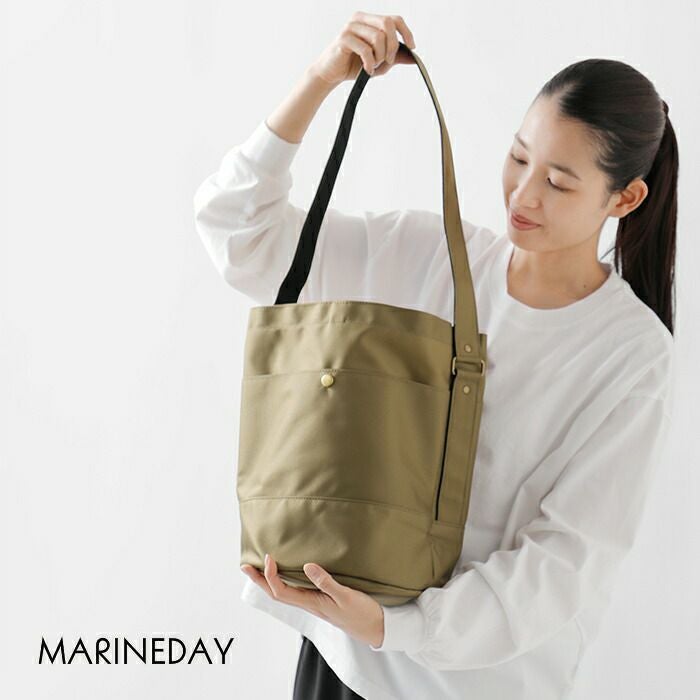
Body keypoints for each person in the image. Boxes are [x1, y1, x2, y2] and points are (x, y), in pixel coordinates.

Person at [193, 10, 679, 700]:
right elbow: (236, 231)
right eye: (519, 158)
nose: (523, 194)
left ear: (625, 197)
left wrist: (397, 626)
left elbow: (562, 565)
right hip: (343, 660)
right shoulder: (422, 254)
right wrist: (320, 79)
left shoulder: (630, 353)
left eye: (559, 182)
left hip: (466, 686)